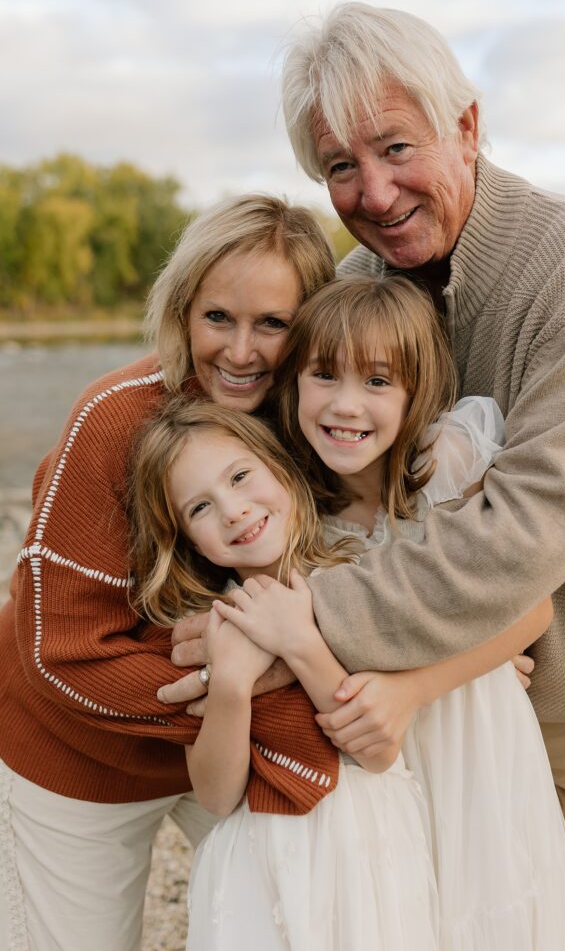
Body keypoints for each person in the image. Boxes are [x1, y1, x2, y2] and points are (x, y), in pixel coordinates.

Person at [268, 1, 565, 951]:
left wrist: (304, 619)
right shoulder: (358, 288)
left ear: (466, 126)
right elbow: (267, 421)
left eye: (395, 148)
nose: (372, 193)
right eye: (340, 166)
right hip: (447, 713)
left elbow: (524, 533)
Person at [0, 194, 336, 951]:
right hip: (74, 755)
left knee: (304, 922)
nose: (241, 352)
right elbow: (61, 655)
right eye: (218, 317)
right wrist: (249, 683)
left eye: (273, 324)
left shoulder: (317, 415)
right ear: (182, 311)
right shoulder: (114, 418)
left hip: (217, 748)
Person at [223, 273, 565, 948]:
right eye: (323, 375)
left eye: (376, 382)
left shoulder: (446, 464)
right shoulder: (295, 515)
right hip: (374, 762)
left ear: (414, 391)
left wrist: (422, 681)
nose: (346, 405)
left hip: (471, 730)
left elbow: (531, 604)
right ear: (292, 384)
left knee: (491, 902)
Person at [129, 396, 441, 949]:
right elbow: (217, 796)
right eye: (199, 508)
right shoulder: (208, 626)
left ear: (281, 466)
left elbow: (375, 751)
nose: (232, 510)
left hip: (368, 844)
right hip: (262, 856)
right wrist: (230, 682)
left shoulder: (366, 573)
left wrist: (297, 641)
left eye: (241, 476)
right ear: (183, 538)